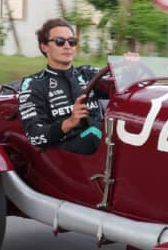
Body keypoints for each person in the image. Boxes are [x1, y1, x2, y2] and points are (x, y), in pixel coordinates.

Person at [18, 18, 106, 154]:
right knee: (97, 135)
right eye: (60, 41)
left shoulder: (88, 73)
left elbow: (119, 89)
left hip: (100, 142)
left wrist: (130, 69)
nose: (67, 46)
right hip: (66, 151)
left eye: (72, 41)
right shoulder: (33, 84)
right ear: (44, 47)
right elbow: (35, 137)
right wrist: (70, 122)